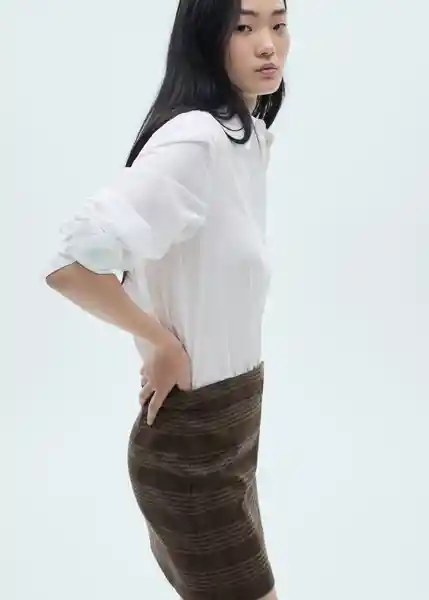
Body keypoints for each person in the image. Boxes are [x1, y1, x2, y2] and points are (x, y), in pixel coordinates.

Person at [44, 0, 291, 597]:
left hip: (235, 439)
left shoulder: (248, 139)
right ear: (206, 36)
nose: (268, 44)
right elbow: (70, 266)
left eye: (279, 24)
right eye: (244, 26)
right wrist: (160, 342)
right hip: (190, 453)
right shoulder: (195, 142)